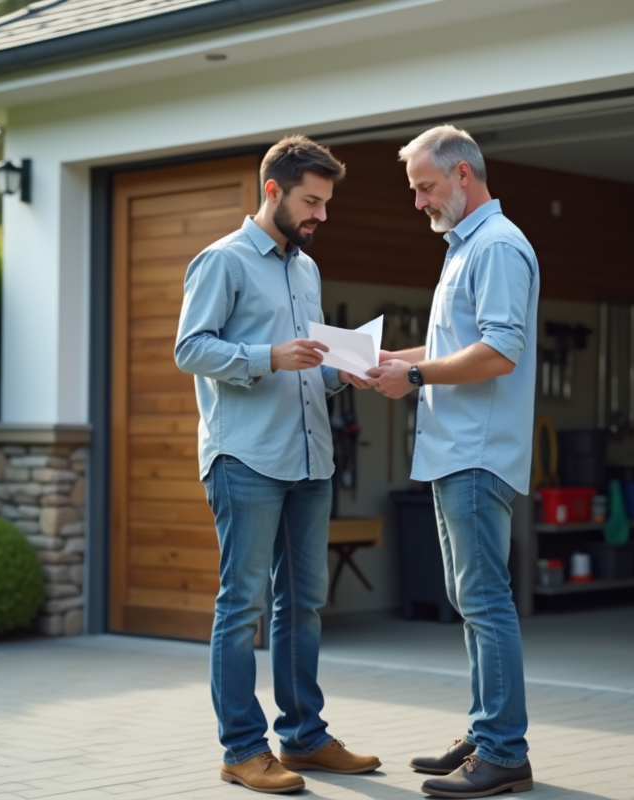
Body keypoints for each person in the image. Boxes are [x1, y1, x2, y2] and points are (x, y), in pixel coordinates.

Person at [175, 135, 379, 794]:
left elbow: (307, 367)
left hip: (309, 460)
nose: (321, 214)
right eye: (310, 201)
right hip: (247, 459)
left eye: (326, 202)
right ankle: (240, 748)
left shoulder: (306, 270)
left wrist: (349, 372)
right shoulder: (222, 261)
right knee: (242, 607)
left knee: (304, 605)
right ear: (273, 192)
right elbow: (190, 349)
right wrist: (267, 356)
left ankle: (304, 738)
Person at [368, 125, 539, 798]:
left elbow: (500, 351)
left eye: (426, 188)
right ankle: (485, 733)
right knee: (470, 600)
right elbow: (455, 348)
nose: (419, 202)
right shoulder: (465, 248)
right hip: (453, 453)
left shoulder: (497, 246)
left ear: (464, 174)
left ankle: (503, 751)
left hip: (475, 454)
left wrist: (414, 379)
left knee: (485, 600)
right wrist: (389, 363)